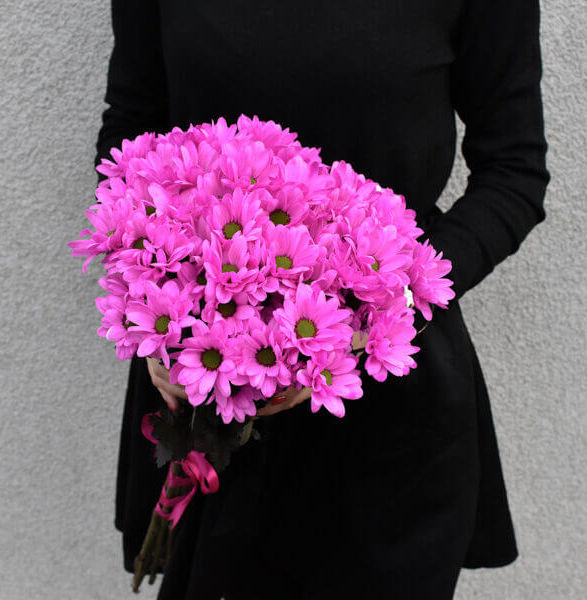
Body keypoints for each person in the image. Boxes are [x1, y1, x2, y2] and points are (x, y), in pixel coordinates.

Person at [95, 1, 550, 599]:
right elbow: (132, 133)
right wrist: (153, 296)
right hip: (203, 382)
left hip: (379, 403)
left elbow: (514, 172)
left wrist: (385, 298)